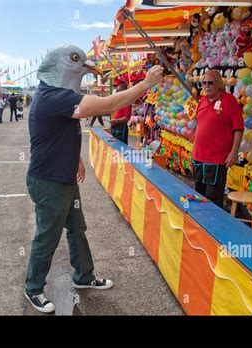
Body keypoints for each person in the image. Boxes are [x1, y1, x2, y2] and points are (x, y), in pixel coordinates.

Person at [24, 47, 164, 313]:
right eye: (76, 60)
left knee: (77, 229)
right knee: (47, 236)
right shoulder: (54, 97)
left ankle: (84, 276)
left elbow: (63, 133)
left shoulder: (59, 98)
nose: (85, 65)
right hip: (49, 182)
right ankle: (33, 288)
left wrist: (75, 160)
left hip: (63, 178)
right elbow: (110, 104)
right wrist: (146, 83)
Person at [191, 70, 244, 208]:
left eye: (210, 83)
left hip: (216, 159)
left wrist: (234, 152)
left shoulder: (229, 101)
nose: (206, 86)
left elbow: (238, 128)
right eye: (204, 83)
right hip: (198, 157)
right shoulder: (202, 101)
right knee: (199, 197)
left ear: (219, 84)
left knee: (213, 199)